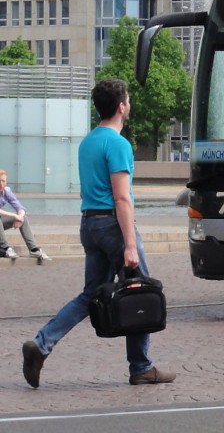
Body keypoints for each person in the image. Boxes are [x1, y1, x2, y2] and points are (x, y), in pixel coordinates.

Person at [21, 78, 176, 389]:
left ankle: (41, 344)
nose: (129, 104)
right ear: (121, 107)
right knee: (140, 290)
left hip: (89, 223)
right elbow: (122, 198)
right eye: (128, 100)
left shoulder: (88, 142)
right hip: (112, 226)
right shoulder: (118, 144)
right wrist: (129, 243)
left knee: (90, 294)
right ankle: (141, 367)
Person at [0, 169, 50, 262]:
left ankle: (34, 249)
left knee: (23, 218)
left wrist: (20, 217)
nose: (1, 183)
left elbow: (19, 207)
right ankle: (6, 248)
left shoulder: (7, 191)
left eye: (3, 181)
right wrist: (15, 216)